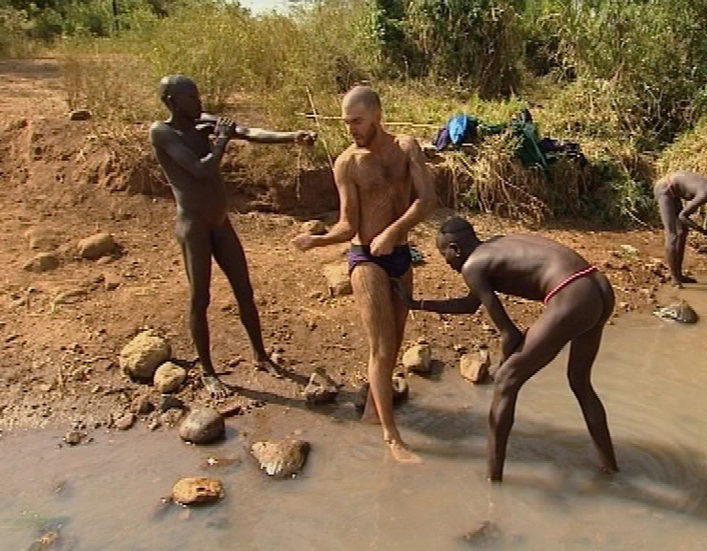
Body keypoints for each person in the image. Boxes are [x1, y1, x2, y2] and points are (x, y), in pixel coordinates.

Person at [400, 217, 618, 482]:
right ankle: (611, 469)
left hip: (572, 295)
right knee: (580, 382)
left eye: (445, 257)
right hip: (599, 286)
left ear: (455, 249)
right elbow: (471, 305)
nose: (448, 265)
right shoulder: (497, 245)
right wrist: (417, 304)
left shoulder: (471, 265)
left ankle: (494, 480)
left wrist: (505, 366)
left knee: (505, 383)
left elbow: (509, 333)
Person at [291, 86, 436, 464]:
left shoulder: (406, 147)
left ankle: (374, 410)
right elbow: (347, 224)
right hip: (365, 258)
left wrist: (393, 231)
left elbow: (427, 200)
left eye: (357, 121)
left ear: (377, 115)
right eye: (346, 123)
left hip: (400, 254)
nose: (351, 129)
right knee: (382, 346)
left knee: (398, 340)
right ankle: (393, 439)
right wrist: (316, 241)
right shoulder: (347, 163)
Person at [149, 75, 315, 397]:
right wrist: (221, 140)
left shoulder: (206, 122)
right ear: (173, 101)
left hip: (220, 223)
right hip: (193, 226)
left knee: (244, 289)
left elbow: (251, 133)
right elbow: (200, 169)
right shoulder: (162, 133)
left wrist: (292, 136)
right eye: (192, 98)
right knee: (201, 298)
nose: (199, 103)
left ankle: (260, 355)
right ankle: (209, 371)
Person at [653, 170, 707, 287]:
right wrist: (703, 232)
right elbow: (683, 216)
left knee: (682, 231)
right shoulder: (706, 193)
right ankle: (674, 277)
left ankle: (679, 274)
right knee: (672, 235)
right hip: (664, 189)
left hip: (673, 192)